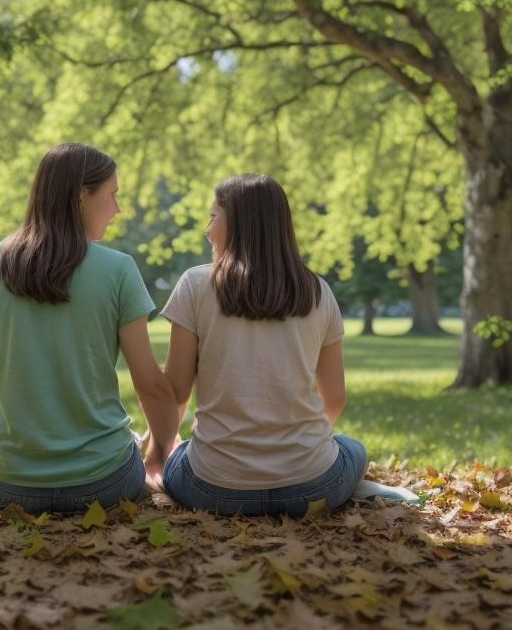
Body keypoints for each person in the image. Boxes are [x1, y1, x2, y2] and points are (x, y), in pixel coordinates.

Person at [0, 142, 178, 512]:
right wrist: (158, 456)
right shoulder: (119, 269)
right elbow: (150, 384)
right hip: (104, 483)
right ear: (82, 196)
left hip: (2, 487)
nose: (117, 208)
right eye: (111, 195)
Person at [152, 173, 367, 517]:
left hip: (213, 489)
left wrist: (158, 452)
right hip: (313, 488)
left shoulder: (194, 285)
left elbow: (176, 392)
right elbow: (335, 397)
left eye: (213, 216)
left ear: (238, 223)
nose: (207, 229)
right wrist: (294, 451)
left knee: (182, 452)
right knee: (352, 447)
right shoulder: (318, 291)